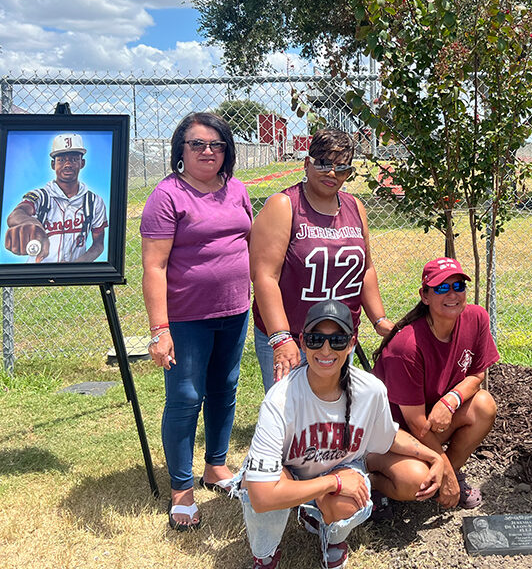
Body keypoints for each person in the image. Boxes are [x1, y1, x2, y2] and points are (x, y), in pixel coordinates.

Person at [237, 299, 445, 569]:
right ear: (302, 342)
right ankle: (265, 553)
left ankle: (332, 535)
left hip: (337, 469)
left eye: (337, 340)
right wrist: (332, 483)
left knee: (350, 495)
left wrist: (437, 457)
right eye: (315, 339)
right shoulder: (280, 398)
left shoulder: (370, 390)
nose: (326, 349)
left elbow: (388, 436)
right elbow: (261, 496)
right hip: (290, 473)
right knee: (257, 487)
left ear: (351, 343)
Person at [141, 112, 253, 531]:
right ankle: (182, 489)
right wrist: (160, 330)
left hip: (235, 310)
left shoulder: (237, 189)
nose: (208, 152)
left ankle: (216, 467)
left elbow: (249, 242)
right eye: (198, 144)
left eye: (217, 145)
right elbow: (154, 267)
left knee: (224, 387)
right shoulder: (167, 195)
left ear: (227, 151)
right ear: (180, 151)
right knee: (186, 398)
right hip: (187, 318)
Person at [249, 128, 393, 392]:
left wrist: (379, 320)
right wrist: (281, 338)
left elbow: (366, 269)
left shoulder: (354, 206)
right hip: (294, 337)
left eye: (341, 167)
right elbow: (264, 277)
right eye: (323, 163)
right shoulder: (284, 205)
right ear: (307, 163)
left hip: (339, 337)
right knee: (288, 416)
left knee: (333, 412)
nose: (332, 173)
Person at [371, 257, 500, 509]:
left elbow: (477, 375)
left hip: (429, 424)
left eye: (458, 287)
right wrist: (447, 475)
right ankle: (371, 481)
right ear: (425, 296)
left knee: (483, 405)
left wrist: (451, 401)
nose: (452, 294)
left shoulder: (476, 318)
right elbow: (415, 423)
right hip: (389, 435)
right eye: (441, 288)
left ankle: (445, 473)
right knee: (416, 481)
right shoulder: (406, 347)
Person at [4, 132, 107, 263]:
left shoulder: (94, 201)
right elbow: (16, 214)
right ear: (53, 164)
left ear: (82, 163)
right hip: (39, 274)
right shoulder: (41, 196)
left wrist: (73, 269)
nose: (68, 164)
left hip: (75, 277)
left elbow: (98, 245)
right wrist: (35, 226)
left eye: (74, 159)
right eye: (62, 160)